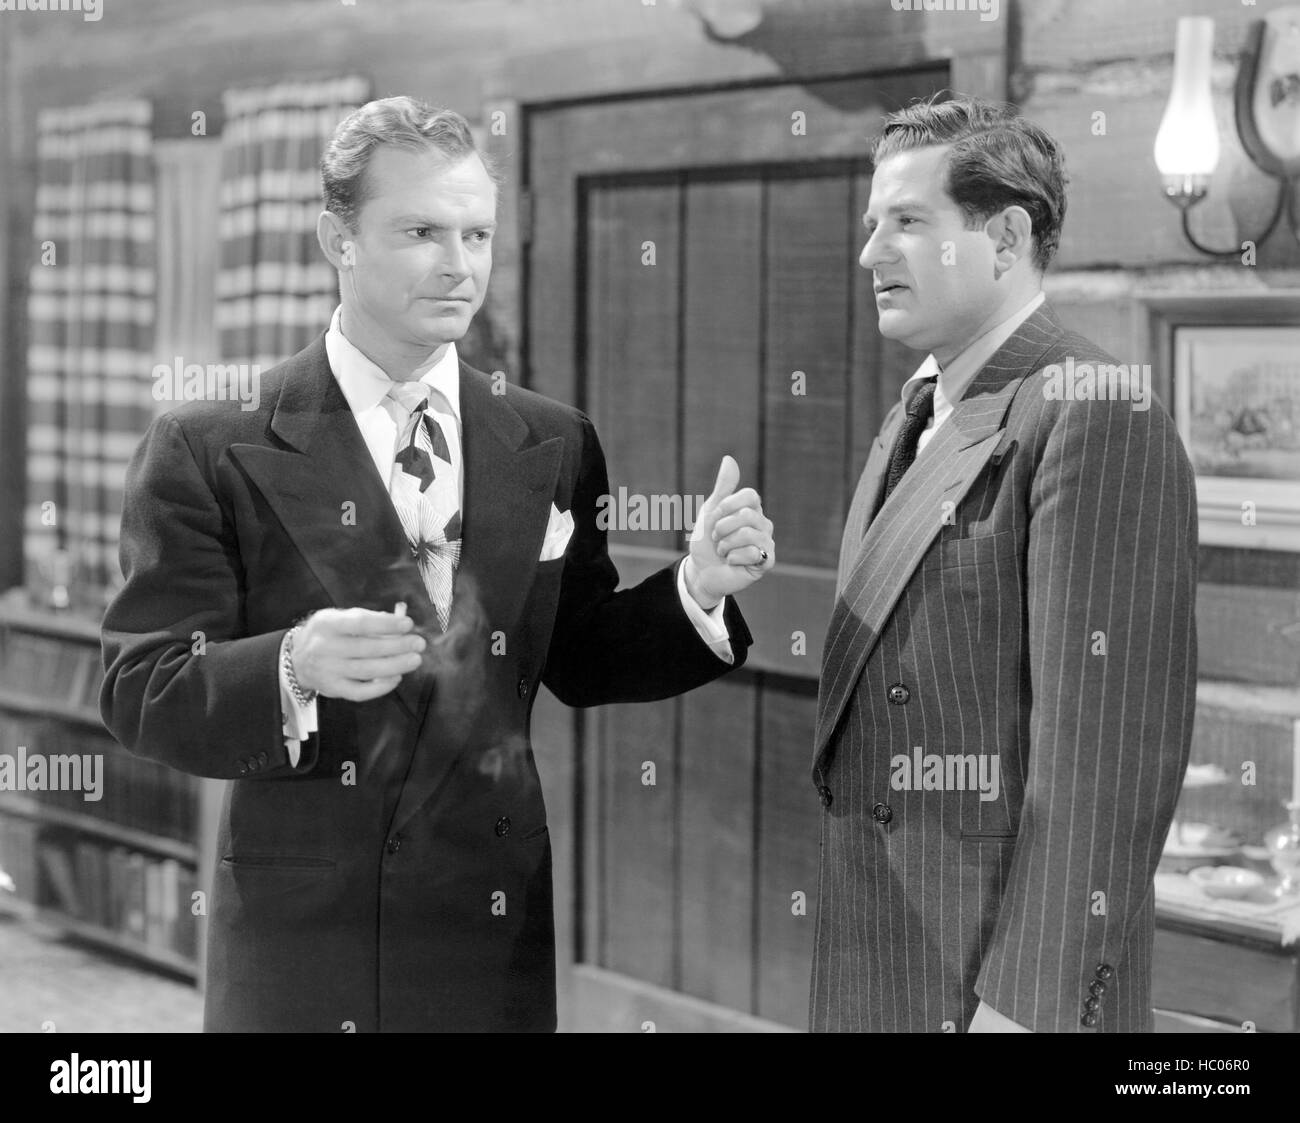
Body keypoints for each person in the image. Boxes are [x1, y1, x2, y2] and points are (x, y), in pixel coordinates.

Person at [100, 97, 775, 1032]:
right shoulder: (208, 444)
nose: (460, 266)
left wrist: (696, 589)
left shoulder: (551, 438)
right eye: (421, 231)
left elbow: (579, 655)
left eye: (478, 233)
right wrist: (291, 666)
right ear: (337, 238)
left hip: (488, 925)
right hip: (306, 937)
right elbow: (143, 687)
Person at [810, 96, 1197, 1033]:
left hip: (991, 980)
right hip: (880, 949)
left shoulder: (1094, 411)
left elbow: (1107, 762)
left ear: (1007, 236)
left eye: (908, 221)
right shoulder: (919, 411)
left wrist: (1027, 1009)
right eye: (873, 224)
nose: (871, 252)